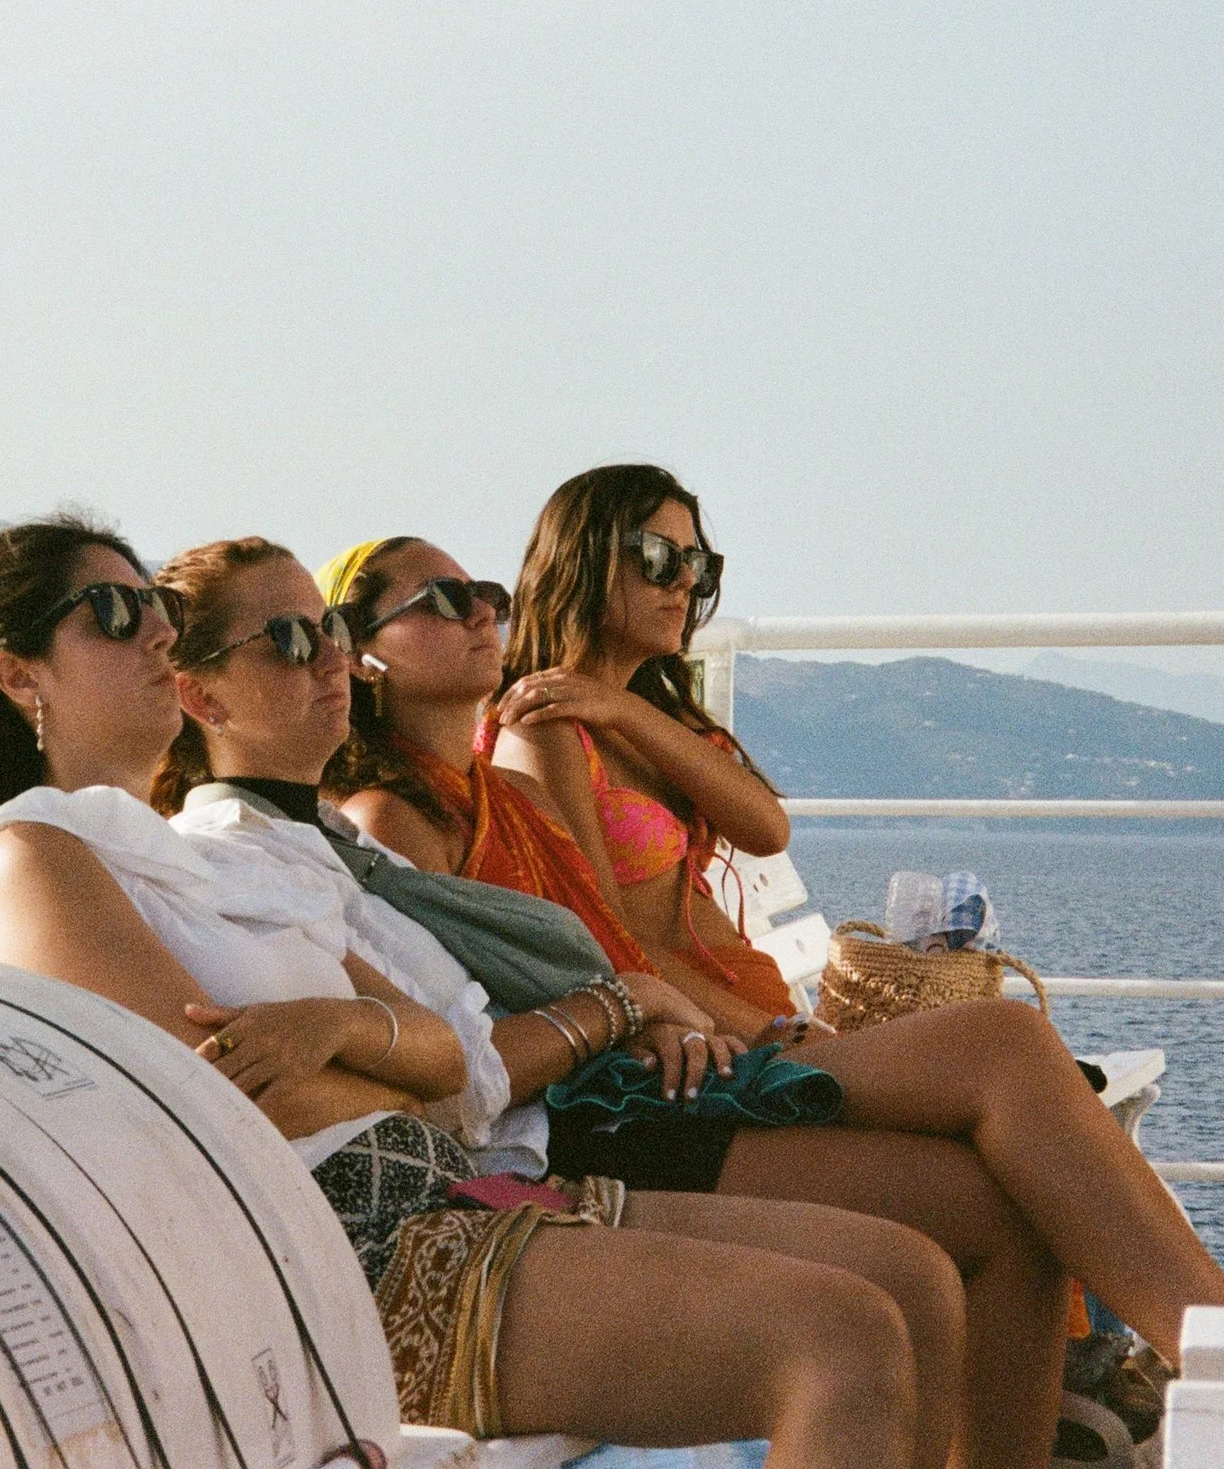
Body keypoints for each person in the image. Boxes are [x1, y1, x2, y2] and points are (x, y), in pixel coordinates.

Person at [0, 514, 923, 1467]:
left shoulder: (194, 864)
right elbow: (214, 1102)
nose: (156, 634)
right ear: (21, 673)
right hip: (337, 1258)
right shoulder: (33, 860)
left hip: (440, 1193)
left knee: (902, 1276)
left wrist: (344, 1029)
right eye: (114, 615)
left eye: (156, 609)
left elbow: (437, 1052)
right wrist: (388, 1070)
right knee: (839, 1338)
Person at [320, 515, 1224, 1467]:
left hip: (664, 1053)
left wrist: (671, 1011)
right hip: (597, 1104)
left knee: (1004, 1202)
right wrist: (659, 1019)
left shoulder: (492, 791)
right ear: (363, 657)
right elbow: (484, 1016)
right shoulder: (393, 817)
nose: (481, 613)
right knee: (1001, 1046)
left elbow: (615, 927)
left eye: (489, 597)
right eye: (442, 601)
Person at [152, 534, 967, 1469]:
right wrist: (615, 1008)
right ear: (200, 695)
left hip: (523, 1152)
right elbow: (455, 1075)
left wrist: (612, 1012)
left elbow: (441, 1051)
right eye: (290, 641)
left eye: (328, 628)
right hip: (455, 1197)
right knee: (857, 1321)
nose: (329, 655)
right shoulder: (238, 859)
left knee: (917, 1273)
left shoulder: (328, 844)